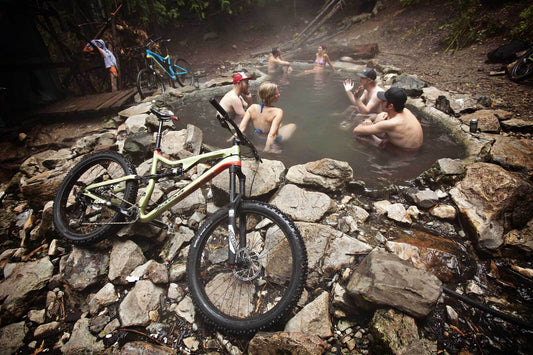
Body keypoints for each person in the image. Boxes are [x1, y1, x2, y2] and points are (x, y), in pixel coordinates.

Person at [353, 87, 423, 150]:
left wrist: (371, 123)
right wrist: (369, 119)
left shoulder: (391, 123)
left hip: (402, 153)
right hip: (412, 147)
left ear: (390, 106)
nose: (380, 101)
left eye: (384, 100)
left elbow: (356, 130)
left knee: (359, 135)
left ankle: (370, 151)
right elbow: (383, 115)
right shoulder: (405, 111)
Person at [239, 82, 296, 153]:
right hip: (271, 140)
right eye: (277, 93)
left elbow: (241, 128)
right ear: (271, 97)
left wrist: (233, 137)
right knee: (292, 125)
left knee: (280, 124)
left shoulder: (252, 107)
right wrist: (267, 148)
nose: (279, 95)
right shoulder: (277, 112)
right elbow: (271, 135)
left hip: (257, 137)